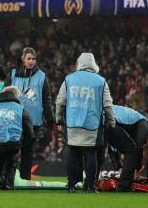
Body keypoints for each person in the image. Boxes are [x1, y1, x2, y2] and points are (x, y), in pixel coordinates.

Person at [55, 52, 115, 193]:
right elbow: (108, 104)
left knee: (73, 154)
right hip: (92, 125)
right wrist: (111, 121)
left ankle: (71, 185)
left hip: (72, 123)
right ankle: (90, 185)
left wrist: (59, 118)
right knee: (91, 154)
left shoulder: (69, 79)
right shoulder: (101, 81)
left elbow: (60, 101)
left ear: (79, 63)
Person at [5, 47, 54, 179]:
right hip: (13, 119)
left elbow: (46, 99)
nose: (31, 61)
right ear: (23, 59)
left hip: (33, 121)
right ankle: (9, 178)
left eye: (33, 59)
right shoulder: (13, 74)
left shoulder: (41, 76)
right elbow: (4, 95)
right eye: (29, 58)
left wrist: (51, 119)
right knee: (11, 151)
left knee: (28, 152)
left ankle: (25, 179)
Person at [106, 105, 148, 191]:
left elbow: (112, 146)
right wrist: (138, 167)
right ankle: (123, 187)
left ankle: (90, 183)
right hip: (110, 121)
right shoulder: (143, 120)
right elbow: (138, 146)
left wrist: (118, 167)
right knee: (132, 151)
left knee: (91, 150)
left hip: (99, 119)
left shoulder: (129, 116)